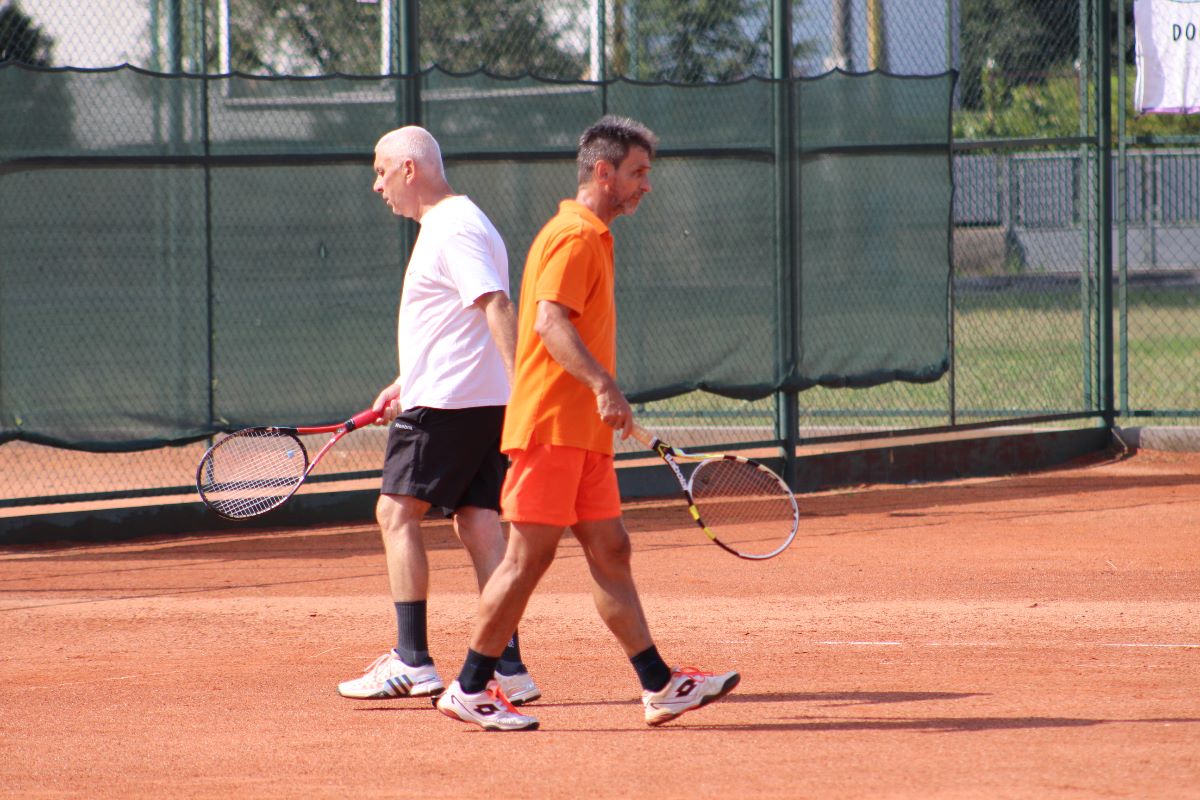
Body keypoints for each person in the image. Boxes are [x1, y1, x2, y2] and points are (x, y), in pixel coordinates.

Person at [435, 116, 739, 732]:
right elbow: (548, 321)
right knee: (527, 559)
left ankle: (659, 685)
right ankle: (468, 688)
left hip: (583, 437)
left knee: (611, 549)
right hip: (551, 428)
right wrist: (603, 385)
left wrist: (600, 399)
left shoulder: (596, 236)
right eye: (637, 173)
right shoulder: (574, 235)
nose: (646, 185)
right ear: (604, 172)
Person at [336, 126, 540, 706]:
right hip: (472, 400)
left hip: (450, 405)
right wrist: (407, 383)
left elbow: (496, 304)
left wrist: (526, 387)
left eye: (381, 171)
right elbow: (458, 322)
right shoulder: (460, 223)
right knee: (478, 524)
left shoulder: (452, 226)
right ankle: (507, 668)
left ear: (410, 169)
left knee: (395, 512)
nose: (377, 185)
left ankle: (412, 660)